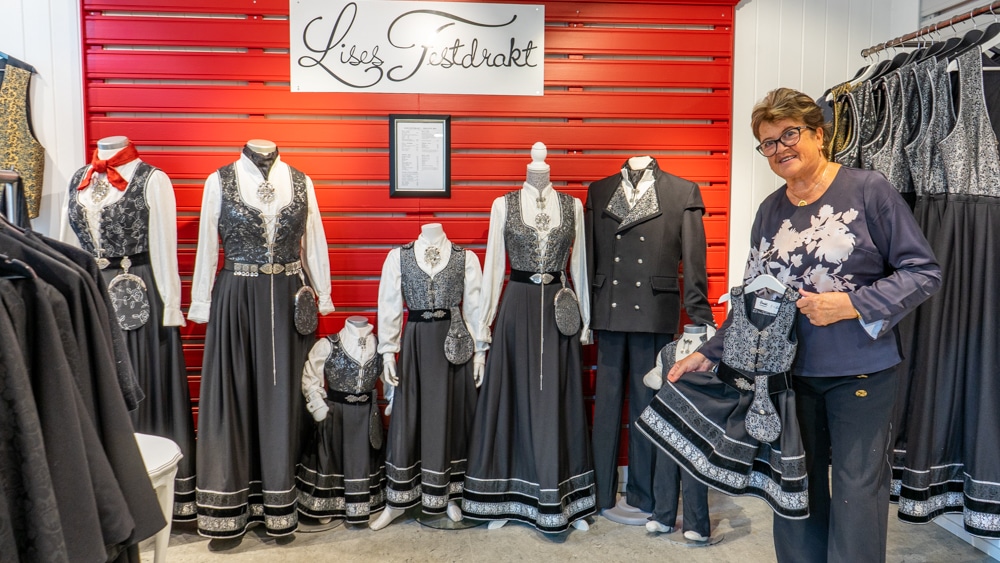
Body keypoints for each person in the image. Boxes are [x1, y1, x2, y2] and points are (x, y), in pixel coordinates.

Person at [667, 88, 941, 563]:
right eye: (768, 142)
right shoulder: (770, 211)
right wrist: (707, 353)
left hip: (861, 372)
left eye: (789, 134)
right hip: (788, 377)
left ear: (818, 134)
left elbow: (923, 272)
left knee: (858, 496)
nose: (780, 149)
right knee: (794, 492)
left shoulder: (868, 189)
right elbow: (754, 300)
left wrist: (852, 304)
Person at [188, 139, 335, 539]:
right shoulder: (219, 181)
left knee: (288, 394)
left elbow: (314, 240)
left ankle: (286, 501)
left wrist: (322, 294)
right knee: (236, 394)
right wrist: (200, 302)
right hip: (237, 295)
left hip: (291, 297)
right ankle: (233, 506)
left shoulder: (302, 182)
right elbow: (206, 245)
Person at [462, 143, 596, 533]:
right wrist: (484, 325)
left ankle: (562, 498)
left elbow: (580, 264)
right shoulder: (502, 204)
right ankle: (505, 498)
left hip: (559, 308)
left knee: (557, 397)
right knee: (514, 398)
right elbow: (493, 266)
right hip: (517, 307)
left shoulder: (572, 206)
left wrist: (585, 318)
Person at [370, 223, 484, 530]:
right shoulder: (399, 257)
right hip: (417, 344)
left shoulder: (465, 257)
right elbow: (389, 306)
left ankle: (449, 495)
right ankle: (398, 499)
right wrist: (387, 352)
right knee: (410, 417)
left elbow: (475, 308)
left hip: (454, 346)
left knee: (450, 418)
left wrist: (481, 352)